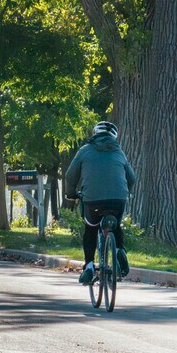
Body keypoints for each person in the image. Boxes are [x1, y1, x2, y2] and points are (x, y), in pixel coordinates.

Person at [65, 121, 136, 285]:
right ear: (114, 137)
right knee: (116, 224)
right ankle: (119, 249)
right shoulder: (120, 153)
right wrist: (127, 192)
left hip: (92, 200)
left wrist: (71, 194)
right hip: (118, 199)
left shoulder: (85, 150)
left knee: (90, 229)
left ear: (95, 133)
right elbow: (131, 178)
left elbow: (70, 176)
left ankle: (89, 266)